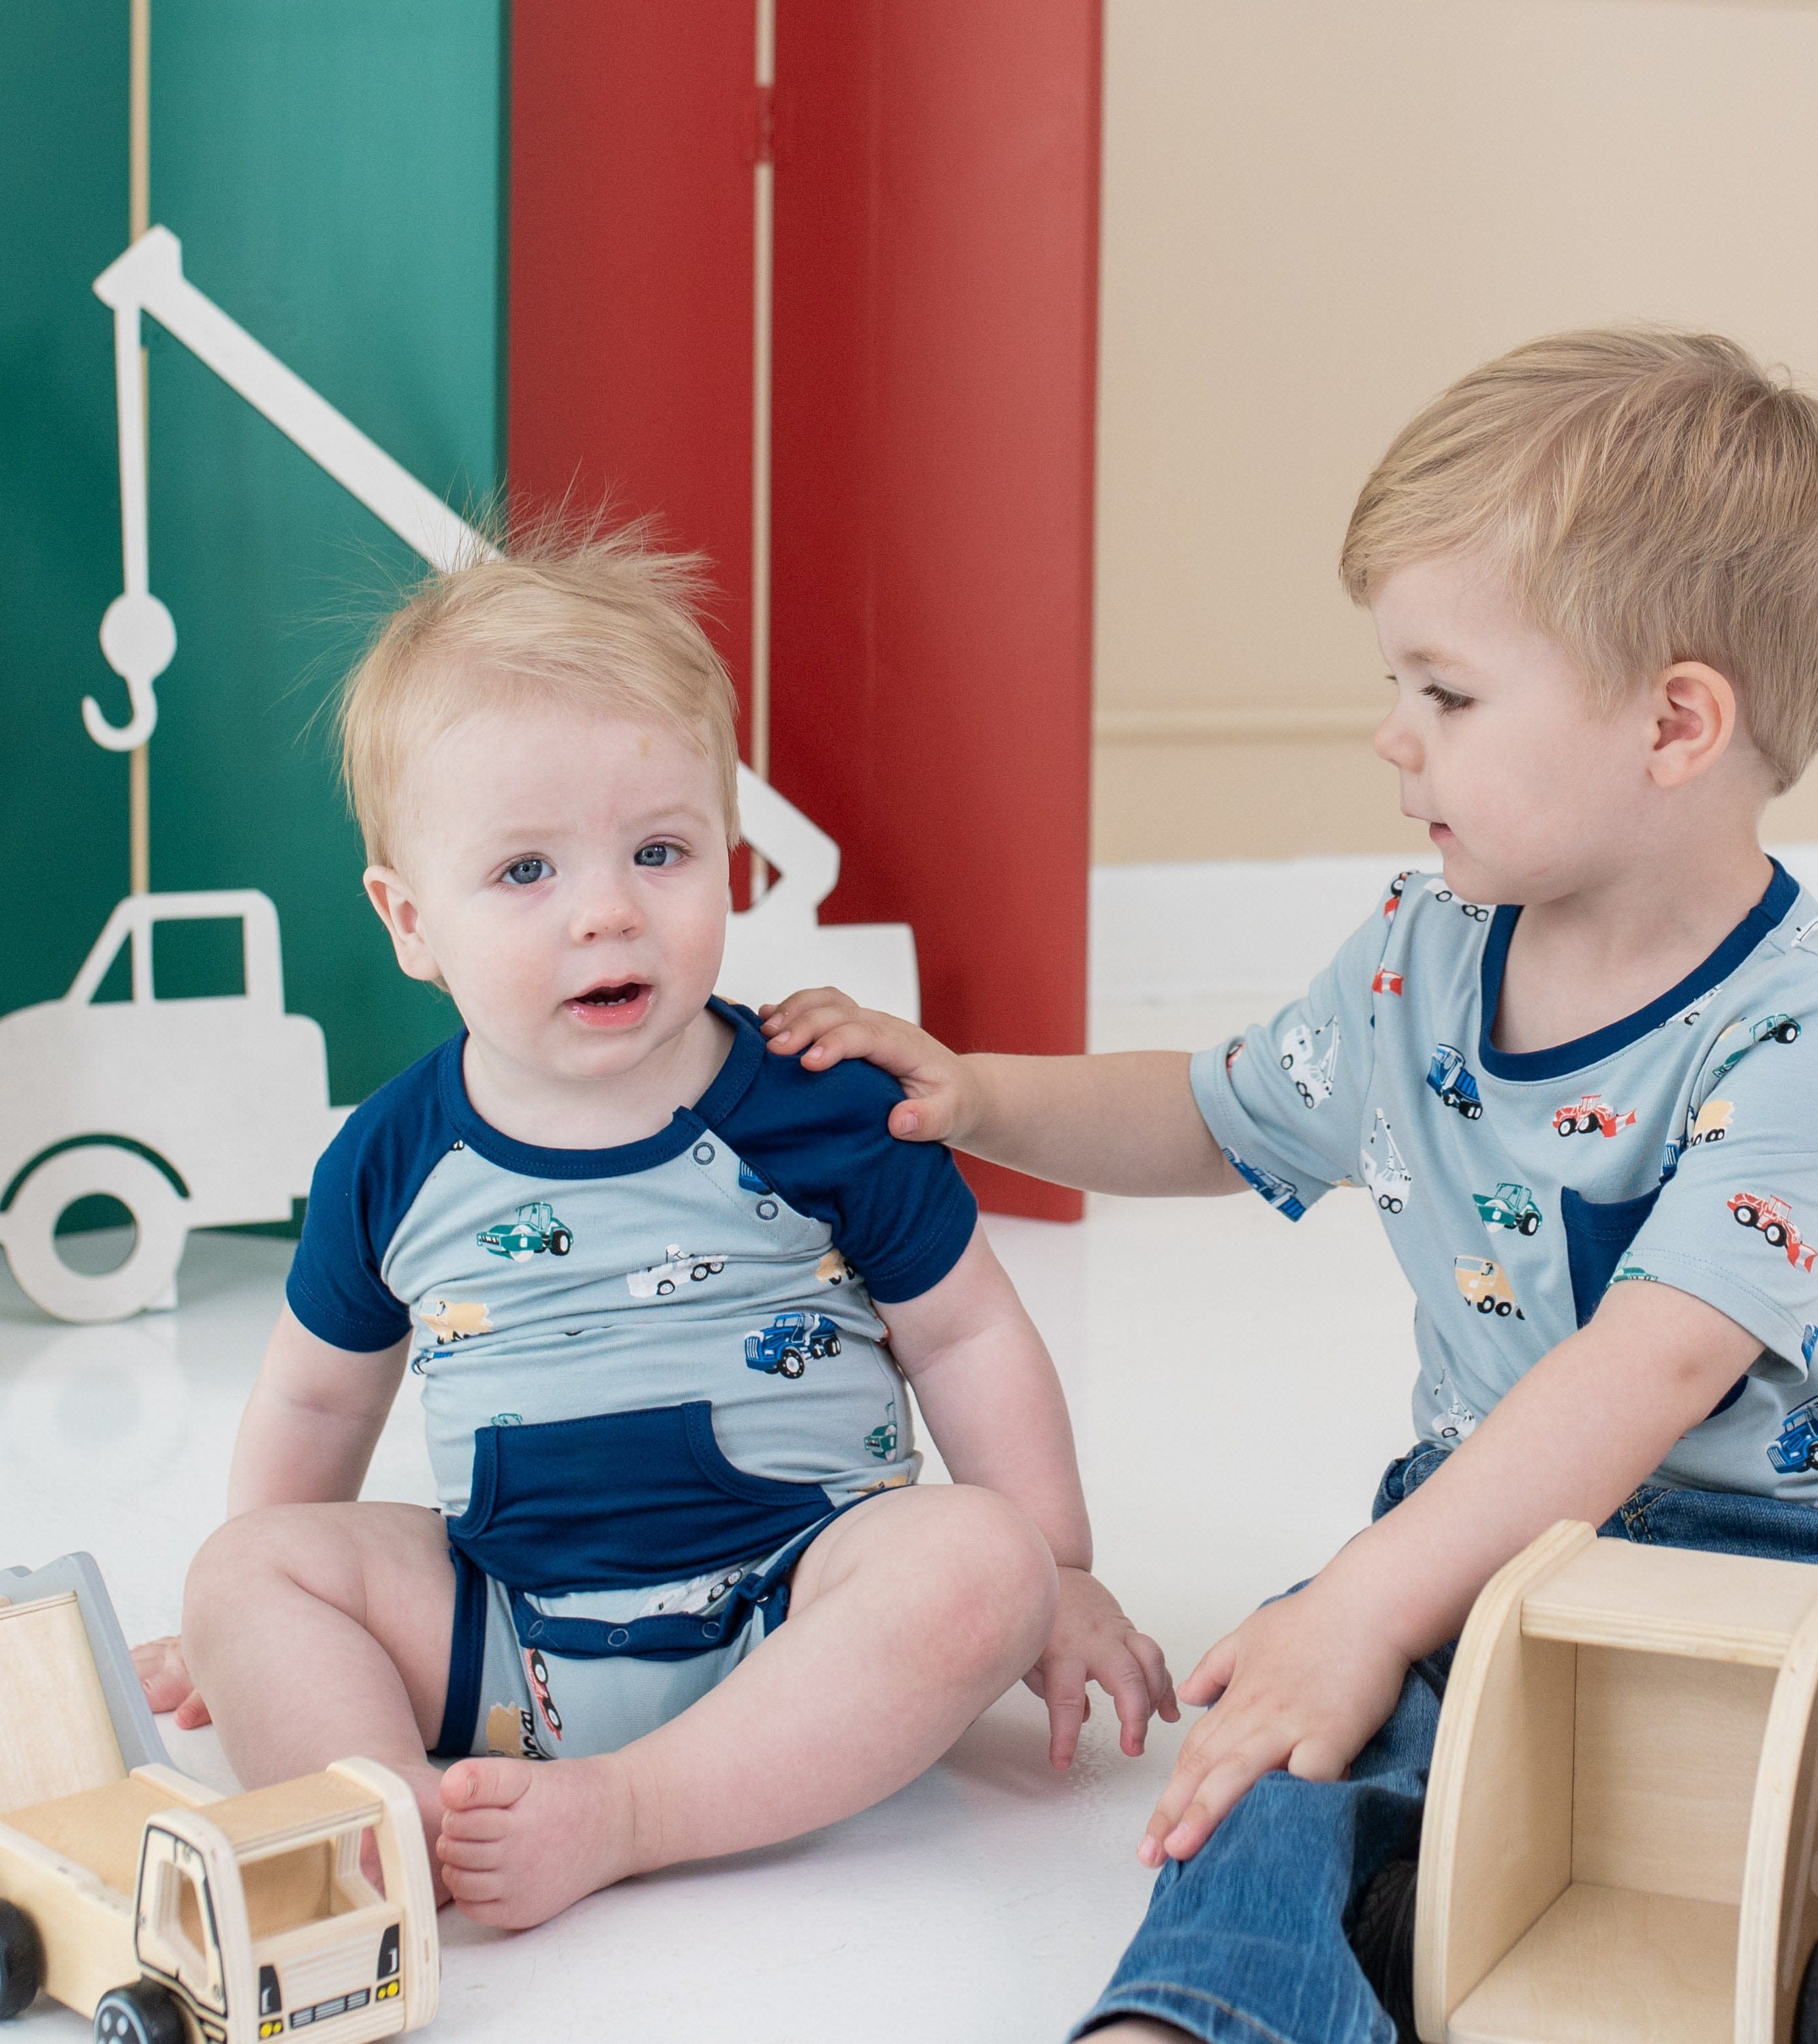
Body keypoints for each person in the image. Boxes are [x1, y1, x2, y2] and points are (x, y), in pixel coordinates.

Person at [760, 330, 1818, 2041]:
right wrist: (980, 1094)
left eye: (1445, 694)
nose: (1392, 738)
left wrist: (1370, 1602)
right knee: (1279, 1731)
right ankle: (1215, 2008)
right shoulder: (1418, 960)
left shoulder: (1814, 1031)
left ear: (1674, 722)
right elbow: (1219, 1112)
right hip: (1480, 1531)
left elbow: (1651, 1364)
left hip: (1807, 1540)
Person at [132, 525, 1174, 1932]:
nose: (608, 913)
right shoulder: (390, 1155)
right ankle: (383, 1830)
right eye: (525, 874)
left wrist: (1062, 1575)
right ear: (409, 920)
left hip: (796, 1611)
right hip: (503, 1632)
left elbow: (972, 1334)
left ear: (731, 867)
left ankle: (635, 1812)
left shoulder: (819, 1103)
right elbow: (317, 1395)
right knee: (243, 1571)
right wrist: (245, 1635)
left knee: (980, 1560)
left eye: (660, 851)